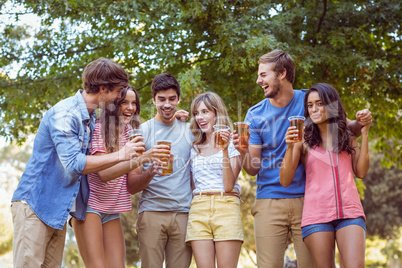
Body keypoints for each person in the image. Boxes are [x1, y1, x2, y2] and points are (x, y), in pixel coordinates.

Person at [234, 50, 372, 267]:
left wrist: (362, 122)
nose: (258, 80)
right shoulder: (254, 114)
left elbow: (344, 127)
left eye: (263, 75)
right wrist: (241, 151)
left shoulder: (312, 100)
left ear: (282, 73)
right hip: (270, 198)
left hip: (309, 201)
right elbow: (252, 168)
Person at [11, 58, 145, 268]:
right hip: (36, 204)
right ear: (102, 89)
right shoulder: (66, 114)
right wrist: (123, 154)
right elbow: (74, 163)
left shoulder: (89, 117)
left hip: (59, 209)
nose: (120, 97)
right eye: (118, 91)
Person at [71, 86, 169, 267]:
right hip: (89, 206)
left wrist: (150, 170)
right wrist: (145, 157)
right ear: (113, 104)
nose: (130, 108)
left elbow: (132, 185)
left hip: (112, 209)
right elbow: (104, 174)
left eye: (134, 103)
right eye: (124, 102)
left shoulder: (132, 133)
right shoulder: (99, 128)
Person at [280, 83, 370, 267]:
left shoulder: (347, 135)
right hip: (316, 217)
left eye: (319, 103)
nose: (314, 109)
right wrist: (290, 147)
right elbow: (285, 179)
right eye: (310, 105)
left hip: (350, 213)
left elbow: (361, 171)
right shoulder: (303, 139)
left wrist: (365, 131)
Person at [127, 73, 193, 268]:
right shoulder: (141, 132)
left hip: (184, 213)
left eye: (172, 99)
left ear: (179, 99)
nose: (167, 104)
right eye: (161, 99)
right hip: (152, 213)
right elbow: (131, 185)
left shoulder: (190, 131)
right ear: (154, 100)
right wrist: (151, 171)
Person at [185, 92, 243, 268]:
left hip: (226, 206)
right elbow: (193, 184)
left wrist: (224, 150)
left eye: (205, 112)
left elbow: (228, 185)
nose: (200, 117)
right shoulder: (194, 146)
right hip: (199, 208)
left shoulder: (234, 143)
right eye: (196, 113)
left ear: (217, 113)